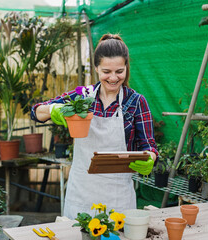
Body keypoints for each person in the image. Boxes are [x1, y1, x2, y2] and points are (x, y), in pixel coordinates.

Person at [31, 33, 158, 219]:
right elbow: (36, 112)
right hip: (81, 194)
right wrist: (53, 110)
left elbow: (149, 146)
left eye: (119, 71)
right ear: (96, 68)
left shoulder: (136, 102)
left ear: (126, 68)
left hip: (118, 198)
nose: (113, 78)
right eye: (106, 71)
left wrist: (150, 158)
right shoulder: (82, 97)